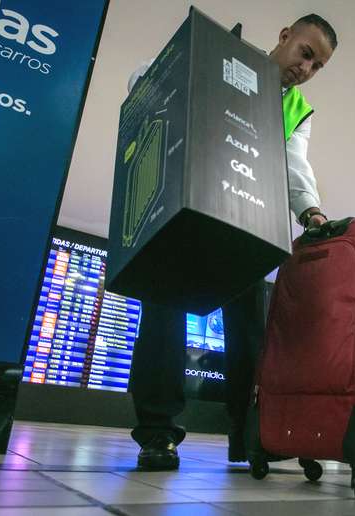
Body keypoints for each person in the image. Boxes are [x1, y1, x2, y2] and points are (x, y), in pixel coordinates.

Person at [127, 14, 338, 470]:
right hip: (188, 205)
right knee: (165, 312)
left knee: (248, 332)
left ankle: (248, 436)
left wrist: (311, 211)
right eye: (306, 53)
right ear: (284, 37)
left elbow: (294, 165)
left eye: (318, 65)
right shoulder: (225, 54)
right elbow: (144, 76)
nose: (307, 68)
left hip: (246, 218)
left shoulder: (297, 110)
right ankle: (158, 432)